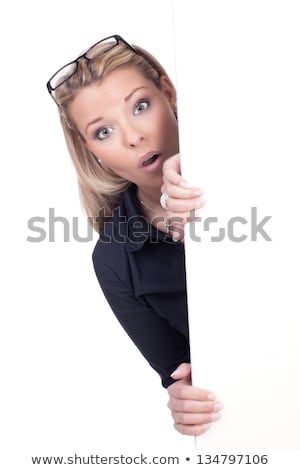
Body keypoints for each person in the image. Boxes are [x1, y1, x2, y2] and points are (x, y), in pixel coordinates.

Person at [46, 34, 223, 436]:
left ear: (168, 92)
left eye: (140, 107)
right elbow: (181, 374)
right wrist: (185, 401)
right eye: (103, 131)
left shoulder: (258, 158)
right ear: (88, 147)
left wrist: (208, 178)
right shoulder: (114, 260)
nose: (132, 137)